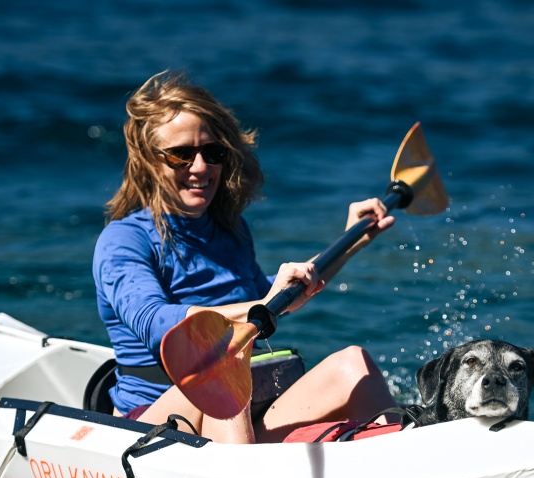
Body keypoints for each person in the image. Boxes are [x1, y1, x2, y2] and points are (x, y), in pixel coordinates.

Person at [93, 70, 399, 444]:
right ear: (148, 160)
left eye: (213, 153)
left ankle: (404, 458)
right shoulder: (124, 240)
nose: (200, 167)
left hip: (245, 402)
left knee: (353, 365)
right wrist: (263, 304)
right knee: (221, 369)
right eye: (181, 155)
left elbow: (268, 299)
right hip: (155, 419)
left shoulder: (231, 231)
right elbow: (158, 324)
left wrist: (350, 241)